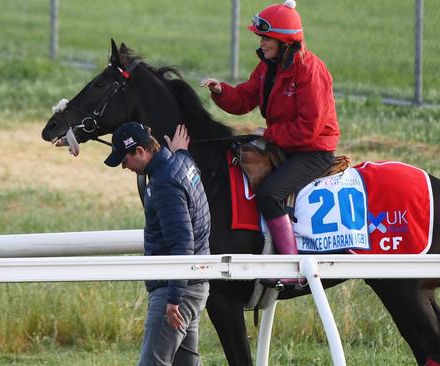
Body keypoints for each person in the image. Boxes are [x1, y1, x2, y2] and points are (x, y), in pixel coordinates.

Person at [200, 1, 340, 269]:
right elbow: (244, 99)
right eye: (261, 37)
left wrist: (269, 133)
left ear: (285, 42)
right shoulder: (268, 66)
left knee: (270, 194)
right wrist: (221, 91)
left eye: (267, 38)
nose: (262, 43)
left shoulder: (311, 70)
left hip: (313, 152)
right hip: (284, 144)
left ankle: (289, 266)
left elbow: (308, 129)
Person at [104, 122, 210, 366]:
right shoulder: (182, 162)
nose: (125, 167)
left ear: (140, 152)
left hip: (175, 289)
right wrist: (181, 152)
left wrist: (174, 298)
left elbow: (183, 243)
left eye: (125, 160)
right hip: (194, 283)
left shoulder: (163, 184)